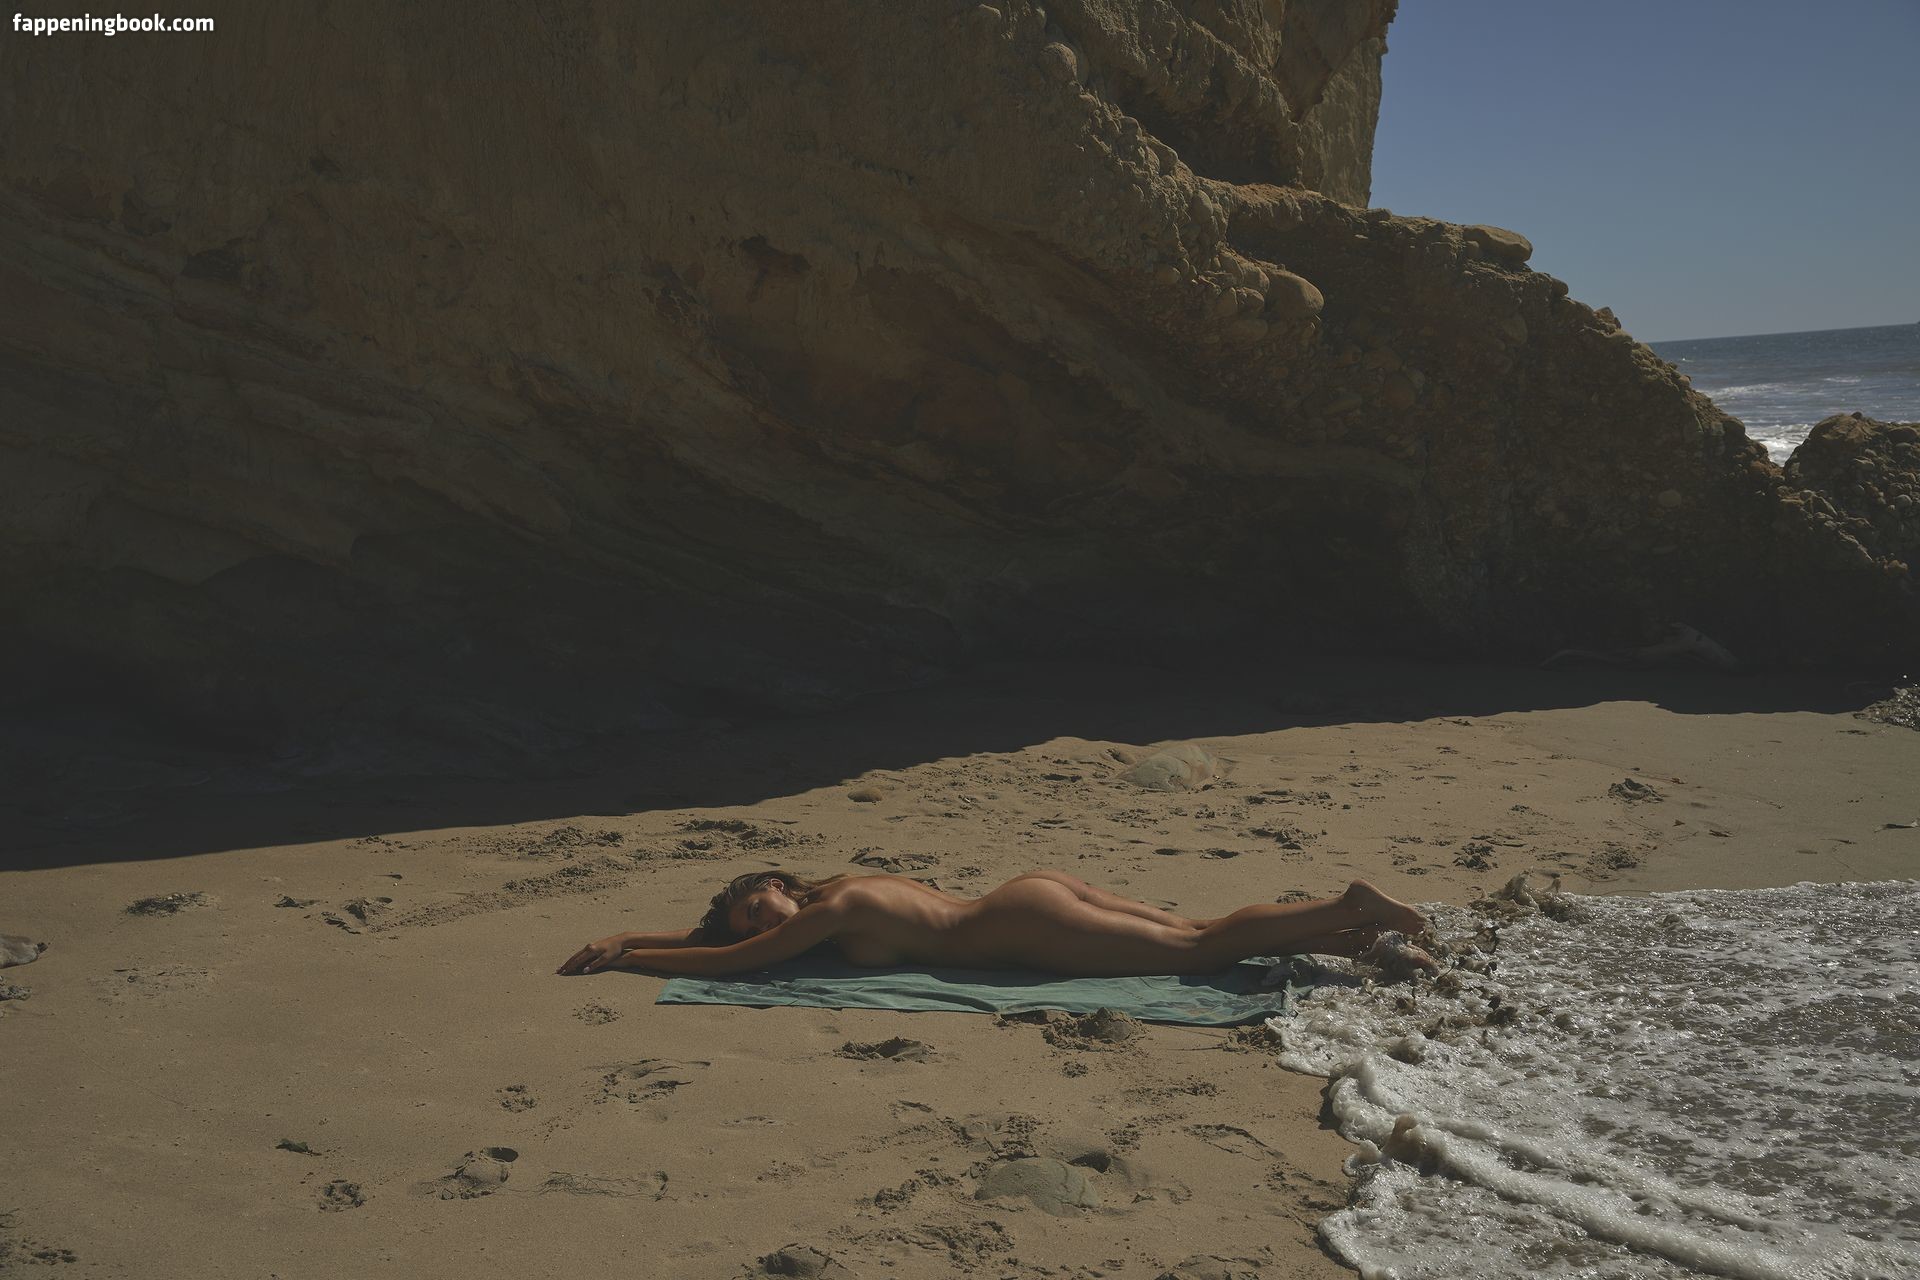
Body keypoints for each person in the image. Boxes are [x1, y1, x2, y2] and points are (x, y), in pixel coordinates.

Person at [556, 869, 1431, 979]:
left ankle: (1348, 905)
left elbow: (738, 964)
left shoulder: (834, 911)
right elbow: (731, 946)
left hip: (1021, 928)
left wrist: (629, 960)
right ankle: (1352, 937)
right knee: (1196, 927)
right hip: (1028, 893)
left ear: (781, 887)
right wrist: (629, 932)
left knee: (1196, 948)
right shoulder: (850, 883)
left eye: (759, 906)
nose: (762, 922)